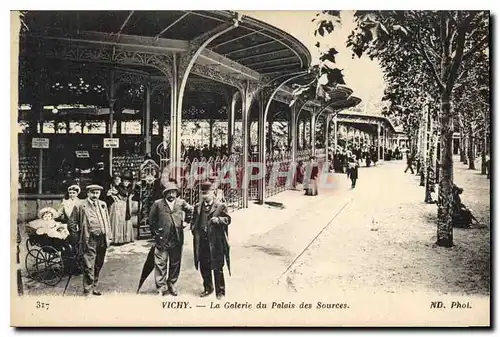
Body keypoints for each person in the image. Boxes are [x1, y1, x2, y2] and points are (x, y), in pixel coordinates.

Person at [149, 182, 194, 296]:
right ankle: (161, 287)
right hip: (162, 238)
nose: (171, 194)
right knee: (160, 263)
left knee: (175, 262)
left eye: (173, 192)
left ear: (176, 193)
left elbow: (191, 210)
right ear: (165, 193)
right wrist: (156, 233)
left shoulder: (181, 203)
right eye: (169, 192)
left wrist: (187, 222)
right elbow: (151, 219)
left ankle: (172, 284)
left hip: (176, 237)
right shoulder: (158, 204)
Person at [68, 184, 112, 296]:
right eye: (92, 193)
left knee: (99, 263)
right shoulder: (80, 206)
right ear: (88, 193)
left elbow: (107, 220)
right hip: (89, 238)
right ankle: (87, 289)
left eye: (97, 193)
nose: (95, 195)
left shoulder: (103, 204)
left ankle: (94, 286)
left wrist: (109, 236)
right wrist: (78, 238)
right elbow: (71, 223)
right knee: (89, 265)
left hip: (102, 238)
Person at [191, 181, 231, 299]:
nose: (205, 196)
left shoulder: (220, 206)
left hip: (216, 242)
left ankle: (220, 292)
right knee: (204, 266)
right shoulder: (198, 207)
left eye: (207, 193)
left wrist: (219, 220)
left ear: (213, 192)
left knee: (218, 267)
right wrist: (194, 230)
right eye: (203, 193)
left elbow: (228, 219)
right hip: (202, 242)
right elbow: (193, 221)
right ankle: (208, 288)